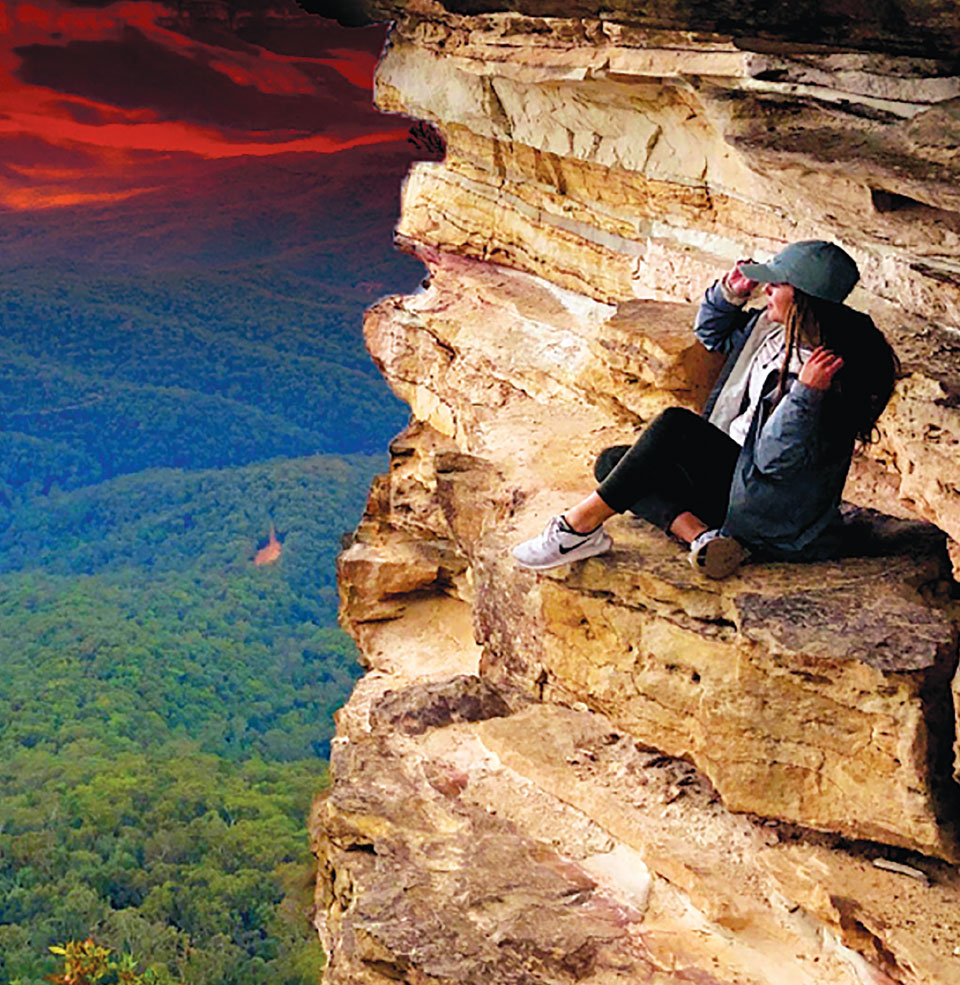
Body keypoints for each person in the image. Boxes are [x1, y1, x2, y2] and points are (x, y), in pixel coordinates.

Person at [512, 240, 900, 578]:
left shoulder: (825, 372)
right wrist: (731, 292)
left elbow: (773, 460)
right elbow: (711, 334)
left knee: (674, 427)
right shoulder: (770, 329)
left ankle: (574, 529)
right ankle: (706, 538)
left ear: (802, 295)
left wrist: (804, 396)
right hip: (734, 481)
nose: (766, 289)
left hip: (767, 506)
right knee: (613, 462)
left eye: (777, 284)